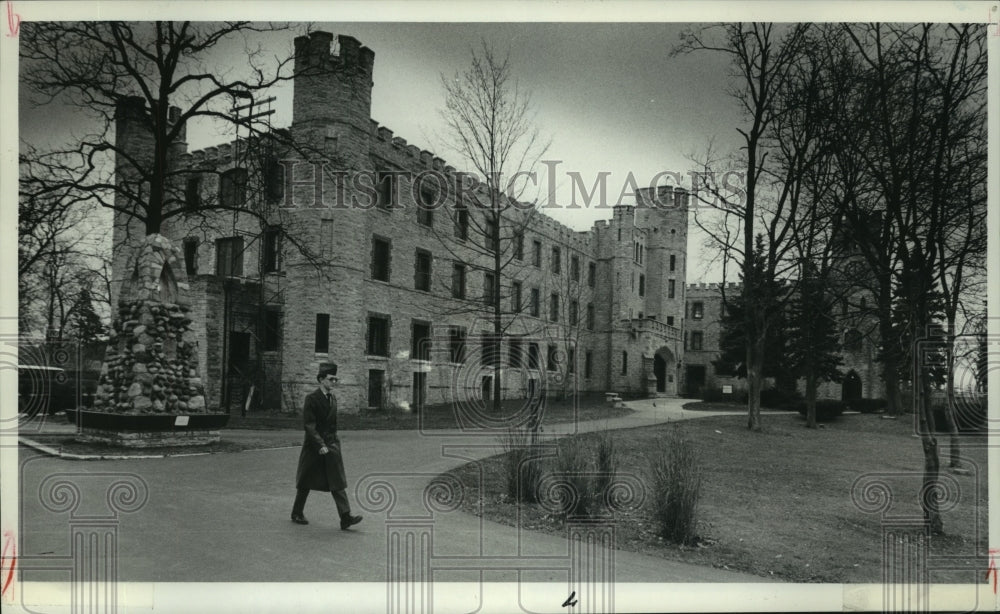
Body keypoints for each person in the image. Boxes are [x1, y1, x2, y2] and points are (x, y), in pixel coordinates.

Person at [291, 363, 363, 530]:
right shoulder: (312, 399)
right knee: (305, 481)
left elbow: (333, 425)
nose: (334, 382)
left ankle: (345, 517)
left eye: (336, 379)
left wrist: (333, 442)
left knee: (337, 481)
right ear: (321, 379)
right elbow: (309, 425)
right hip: (314, 446)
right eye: (331, 379)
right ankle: (296, 512)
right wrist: (320, 444)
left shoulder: (333, 398)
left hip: (331, 445)